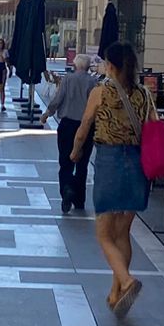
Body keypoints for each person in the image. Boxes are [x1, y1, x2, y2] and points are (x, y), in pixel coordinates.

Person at [73, 41, 152, 318]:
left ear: (112, 65)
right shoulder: (144, 93)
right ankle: (116, 292)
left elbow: (84, 126)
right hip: (137, 163)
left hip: (109, 163)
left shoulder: (101, 92)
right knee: (122, 233)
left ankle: (127, 281)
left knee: (104, 234)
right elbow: (153, 125)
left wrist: (75, 151)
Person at [45, 55, 102, 215]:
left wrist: (48, 112)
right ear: (88, 66)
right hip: (86, 126)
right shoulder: (93, 83)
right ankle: (79, 200)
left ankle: (67, 189)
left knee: (65, 161)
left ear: (76, 65)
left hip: (68, 125)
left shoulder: (68, 79)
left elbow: (58, 99)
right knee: (82, 164)